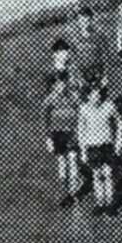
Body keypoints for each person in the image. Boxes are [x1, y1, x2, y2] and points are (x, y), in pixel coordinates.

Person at [73, 84, 121, 214]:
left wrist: (118, 142)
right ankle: (100, 203)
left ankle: (109, 203)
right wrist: (82, 150)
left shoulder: (109, 106)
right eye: (93, 95)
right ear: (88, 96)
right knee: (97, 174)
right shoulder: (83, 108)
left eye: (98, 94)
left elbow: (119, 122)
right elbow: (81, 130)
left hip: (106, 145)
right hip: (92, 145)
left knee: (108, 173)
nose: (96, 97)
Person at [44, 75, 82, 203]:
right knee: (62, 165)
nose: (62, 87)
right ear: (54, 86)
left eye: (63, 84)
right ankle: (65, 191)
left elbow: (80, 114)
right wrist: (48, 138)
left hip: (72, 133)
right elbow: (46, 121)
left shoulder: (73, 97)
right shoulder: (50, 100)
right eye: (59, 85)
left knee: (73, 163)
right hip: (57, 134)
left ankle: (73, 193)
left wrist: (80, 133)